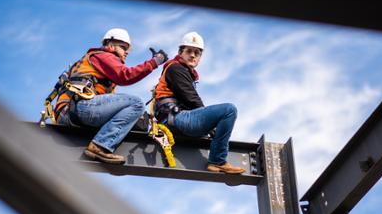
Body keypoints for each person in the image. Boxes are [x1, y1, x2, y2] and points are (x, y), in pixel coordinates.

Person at [55, 28, 168, 164]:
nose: (126, 52)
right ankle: (101, 146)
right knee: (136, 103)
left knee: (137, 113)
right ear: (110, 45)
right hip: (79, 108)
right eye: (123, 47)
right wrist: (154, 62)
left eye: (128, 49)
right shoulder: (102, 55)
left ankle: (101, 143)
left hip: (72, 113)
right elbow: (125, 76)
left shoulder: (100, 69)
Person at [153, 32, 245, 174]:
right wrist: (211, 126)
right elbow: (192, 99)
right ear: (180, 52)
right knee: (228, 110)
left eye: (197, 53)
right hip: (175, 119)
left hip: (175, 119)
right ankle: (218, 161)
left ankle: (218, 158)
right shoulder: (175, 68)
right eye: (189, 51)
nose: (193, 55)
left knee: (220, 117)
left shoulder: (183, 71)